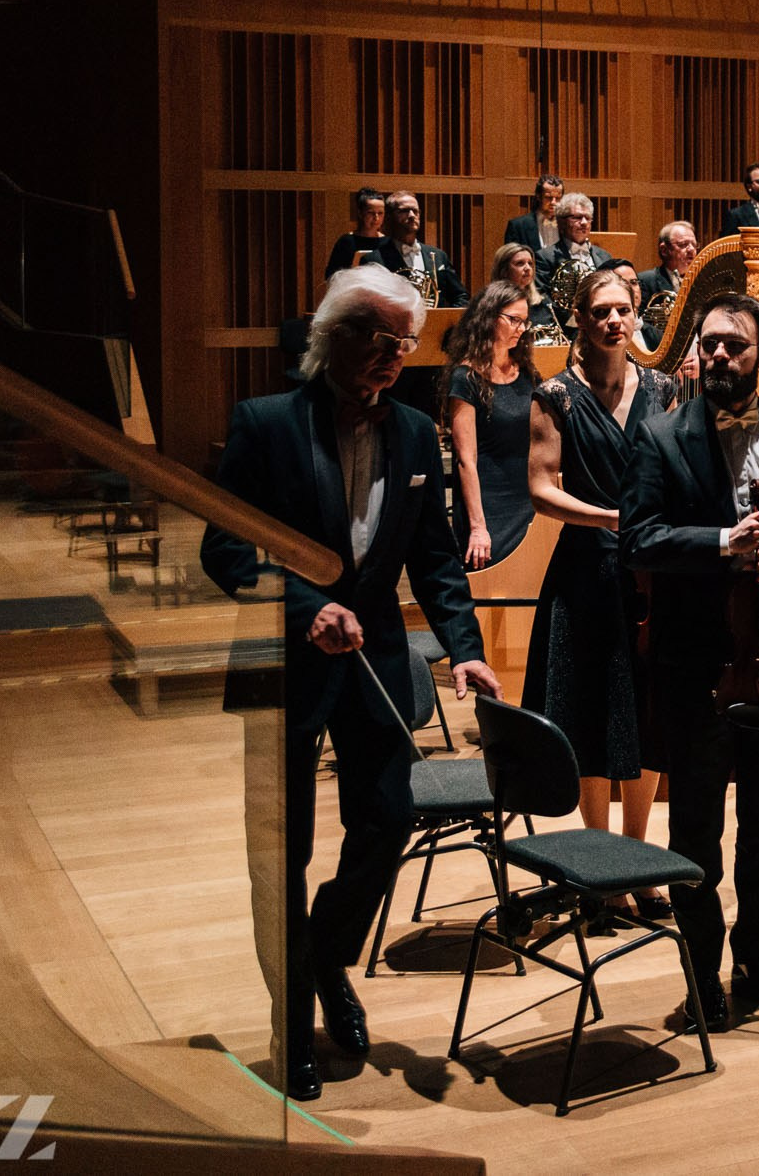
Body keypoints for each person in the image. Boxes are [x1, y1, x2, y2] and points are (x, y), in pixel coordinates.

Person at [199, 264, 498, 1102]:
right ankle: (291, 1027)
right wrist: (305, 608)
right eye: (379, 337)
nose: (395, 355)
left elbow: (434, 556)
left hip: (374, 666)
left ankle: (325, 958)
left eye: (406, 342)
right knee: (282, 853)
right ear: (333, 334)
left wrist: (464, 647)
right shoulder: (263, 424)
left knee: (388, 820)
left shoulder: (415, 432)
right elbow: (224, 550)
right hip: (284, 664)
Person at [619, 291, 759, 1029]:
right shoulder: (659, 435)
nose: (717, 355)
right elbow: (638, 539)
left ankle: (756, 957)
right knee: (697, 831)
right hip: (695, 662)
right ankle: (701, 971)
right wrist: (724, 543)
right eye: (708, 343)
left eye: (733, 346)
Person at [524, 267, 678, 924]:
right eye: (601, 311)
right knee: (591, 711)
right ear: (580, 321)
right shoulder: (555, 394)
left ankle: (636, 858)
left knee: (646, 712)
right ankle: (600, 865)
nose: (615, 320)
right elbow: (540, 486)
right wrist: (608, 517)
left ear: (636, 315)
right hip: (586, 570)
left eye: (623, 310)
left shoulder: (664, 387)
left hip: (652, 571)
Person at [443, 280, 540, 569]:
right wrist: (478, 528)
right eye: (513, 320)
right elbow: (466, 460)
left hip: (528, 503)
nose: (521, 329)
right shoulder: (466, 378)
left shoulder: (527, 373)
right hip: (489, 506)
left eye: (524, 322)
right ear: (489, 317)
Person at [380, 191, 468, 309]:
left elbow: (461, 297)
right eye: (404, 211)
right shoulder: (375, 259)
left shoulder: (439, 256)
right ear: (389, 217)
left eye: (415, 211)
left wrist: (445, 319)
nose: (412, 215)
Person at [639, 221, 700, 347]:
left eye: (694, 245)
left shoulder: (702, 282)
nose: (691, 250)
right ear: (664, 250)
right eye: (683, 245)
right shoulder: (646, 281)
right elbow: (639, 324)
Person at [500, 176, 568, 283]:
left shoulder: (567, 225)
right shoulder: (518, 226)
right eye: (548, 197)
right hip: (529, 285)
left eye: (558, 198)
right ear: (538, 196)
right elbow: (509, 264)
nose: (554, 202)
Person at [490, 242, 557, 334]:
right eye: (520, 263)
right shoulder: (492, 305)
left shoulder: (543, 303)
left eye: (530, 263)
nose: (528, 268)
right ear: (504, 270)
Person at [325, 188, 390, 276]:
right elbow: (331, 275)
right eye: (371, 213)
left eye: (380, 213)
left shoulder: (388, 243)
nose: (376, 218)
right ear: (360, 213)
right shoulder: (346, 242)